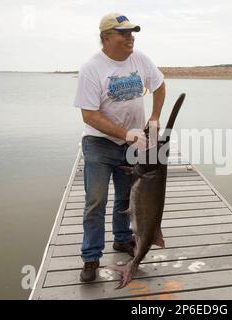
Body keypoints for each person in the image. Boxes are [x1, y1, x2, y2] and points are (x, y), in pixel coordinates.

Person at [74, 12, 166, 282]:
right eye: (123, 33)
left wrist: (155, 117)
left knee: (127, 200)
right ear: (106, 38)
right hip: (99, 145)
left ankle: (123, 239)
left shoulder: (140, 60)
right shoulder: (92, 68)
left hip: (134, 143)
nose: (130, 37)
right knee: (96, 201)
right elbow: (89, 115)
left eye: (132, 33)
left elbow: (160, 86)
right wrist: (127, 134)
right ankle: (91, 257)